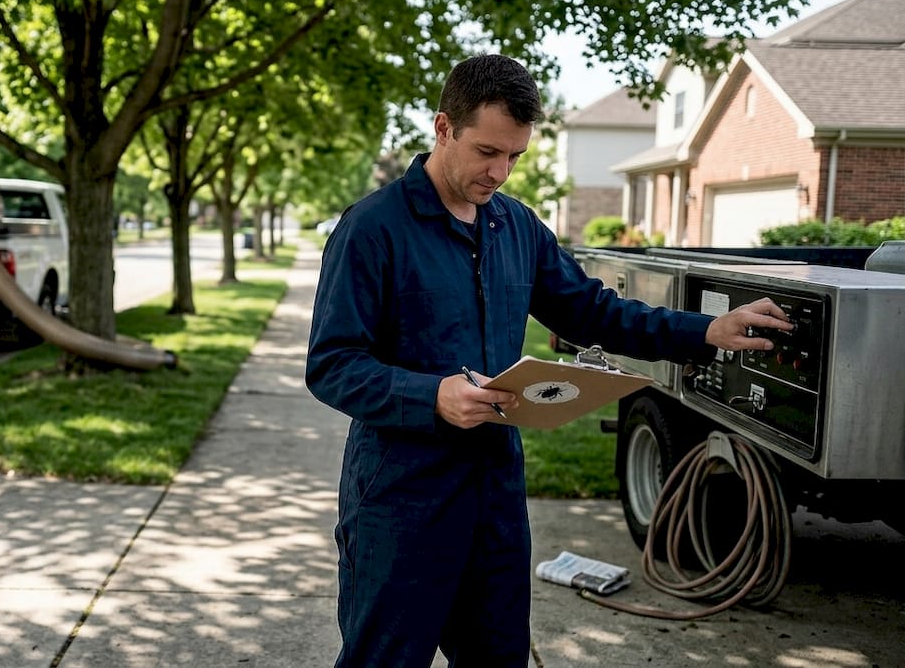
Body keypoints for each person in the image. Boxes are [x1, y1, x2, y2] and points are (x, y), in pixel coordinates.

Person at [304, 54, 793, 667]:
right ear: (443, 127)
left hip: (495, 494)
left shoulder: (517, 228)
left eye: (514, 156)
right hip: (400, 500)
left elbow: (594, 313)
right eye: (487, 152)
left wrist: (707, 330)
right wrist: (431, 395)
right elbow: (332, 364)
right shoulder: (372, 229)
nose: (500, 172)